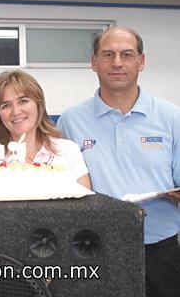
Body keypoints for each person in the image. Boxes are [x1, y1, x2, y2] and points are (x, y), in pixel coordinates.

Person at [57, 27, 180, 297]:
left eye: (127, 54)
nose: (117, 63)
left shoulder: (172, 118)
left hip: (161, 251)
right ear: (93, 62)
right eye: (108, 54)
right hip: (93, 250)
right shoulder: (70, 122)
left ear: (141, 61)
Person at [0, 70, 91, 189]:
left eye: (23, 101)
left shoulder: (67, 151)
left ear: (39, 105)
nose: (16, 111)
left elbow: (87, 204)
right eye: (6, 105)